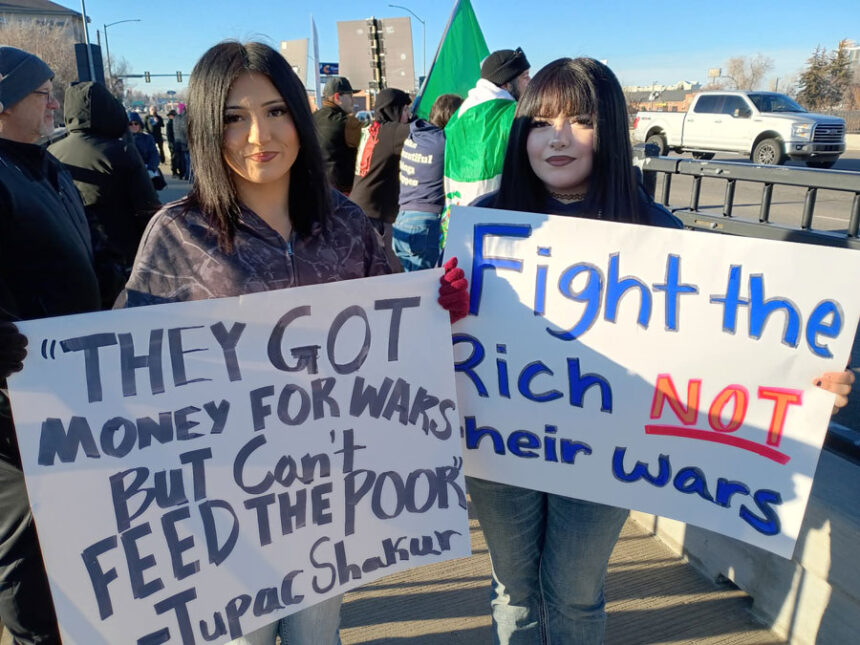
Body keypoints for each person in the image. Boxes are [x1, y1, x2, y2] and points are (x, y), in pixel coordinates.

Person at [463, 57, 856, 645]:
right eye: (541, 122)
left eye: (580, 120)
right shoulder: (485, 223)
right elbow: (442, 339)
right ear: (521, 133)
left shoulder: (659, 232)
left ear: (613, 131)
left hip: (605, 453)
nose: (558, 138)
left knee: (573, 592)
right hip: (501, 444)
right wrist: (438, 310)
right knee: (513, 590)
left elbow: (718, 343)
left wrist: (805, 376)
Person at [119, 40, 467, 645]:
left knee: (316, 634)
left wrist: (438, 307)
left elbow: (396, 332)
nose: (260, 134)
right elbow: (119, 369)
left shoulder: (346, 223)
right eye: (234, 117)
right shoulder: (177, 234)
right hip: (226, 505)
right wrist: (36, 373)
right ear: (206, 127)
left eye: (276, 110)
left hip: (326, 494)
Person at [0, 46, 102, 645]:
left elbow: (82, 247)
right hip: (13, 402)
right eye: (42, 94)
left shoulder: (45, 164)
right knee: (24, 543)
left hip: (71, 384)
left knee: (72, 528)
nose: (54, 104)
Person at [49, 81, 160, 272]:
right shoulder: (122, 151)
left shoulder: (51, 152)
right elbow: (147, 208)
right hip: (123, 255)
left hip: (76, 255)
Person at [441, 47, 530, 245]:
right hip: (500, 228)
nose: (530, 83)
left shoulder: (458, 116)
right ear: (507, 84)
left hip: (457, 222)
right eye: (525, 77)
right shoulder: (514, 114)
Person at [393, 93, 463, 271]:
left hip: (402, 220)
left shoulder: (415, 136)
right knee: (426, 290)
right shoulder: (444, 143)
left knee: (409, 289)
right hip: (425, 225)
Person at [350, 87, 412, 269]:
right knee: (394, 268)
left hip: (359, 206)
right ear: (394, 110)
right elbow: (420, 133)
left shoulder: (372, 129)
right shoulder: (392, 132)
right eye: (406, 110)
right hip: (376, 214)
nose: (408, 115)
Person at [312, 76, 361, 194]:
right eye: (350, 96)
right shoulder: (348, 123)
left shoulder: (311, 118)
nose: (353, 101)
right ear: (338, 97)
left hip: (315, 188)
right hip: (342, 192)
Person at [173, 102, 190, 179]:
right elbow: (186, 130)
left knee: (179, 159)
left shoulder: (175, 118)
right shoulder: (186, 118)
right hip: (185, 142)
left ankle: (181, 174)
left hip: (177, 141)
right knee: (187, 160)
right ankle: (187, 175)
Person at [166, 108, 180, 176]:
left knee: (175, 157)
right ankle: (174, 171)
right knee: (174, 158)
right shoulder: (170, 123)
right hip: (172, 143)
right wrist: (171, 143)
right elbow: (169, 135)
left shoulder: (171, 123)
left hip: (173, 142)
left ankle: (175, 171)